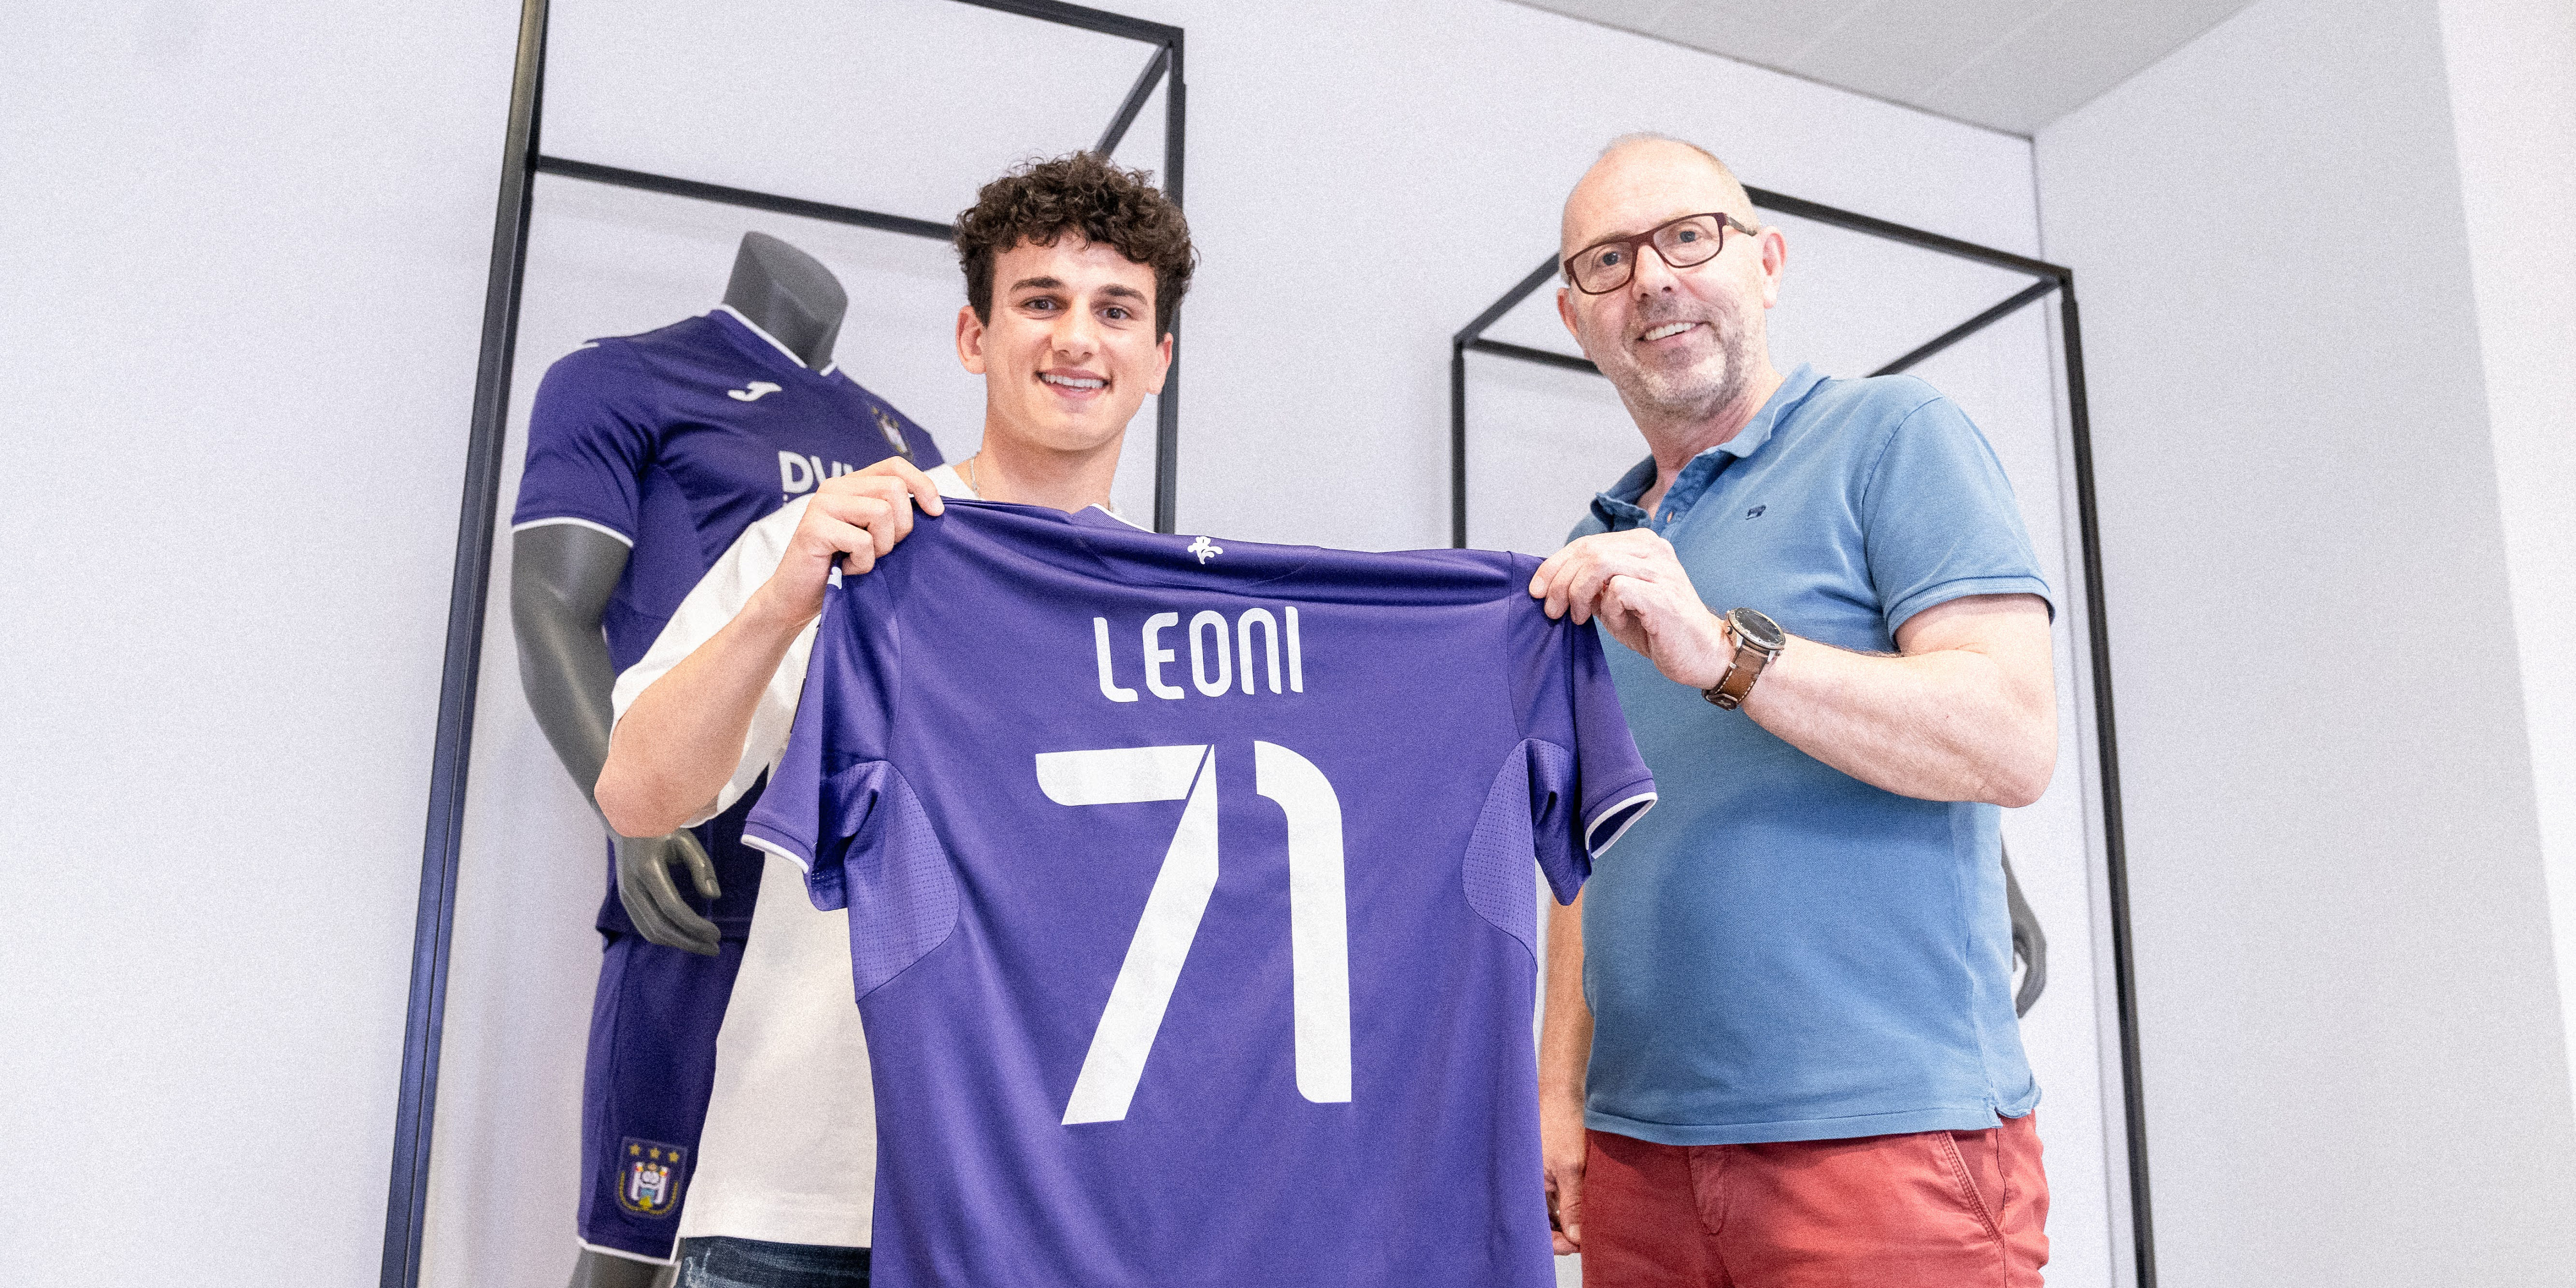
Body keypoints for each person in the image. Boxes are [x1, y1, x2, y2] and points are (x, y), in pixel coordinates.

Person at [593, 151, 1192, 1288]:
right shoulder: (839, 544)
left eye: (1116, 310)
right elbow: (639, 794)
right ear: (975, 336)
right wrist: (785, 603)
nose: (1078, 338)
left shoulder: (1180, 613)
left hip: (1072, 1212)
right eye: (1041, 302)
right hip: (803, 1203)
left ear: (1158, 356)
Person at [1527, 133, 2057, 1286]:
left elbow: (2014, 736)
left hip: (1886, 1144)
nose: (1655, 278)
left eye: (1687, 237)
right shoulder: (1590, 556)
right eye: (1608, 261)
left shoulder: (1895, 436)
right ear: (1577, 319)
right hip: (1639, 1161)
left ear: (1765, 261)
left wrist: (1722, 651)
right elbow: (1584, 850)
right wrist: (1558, 1091)